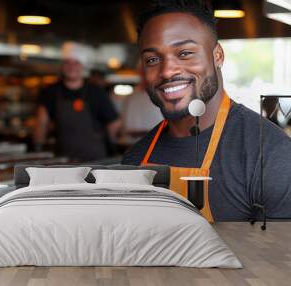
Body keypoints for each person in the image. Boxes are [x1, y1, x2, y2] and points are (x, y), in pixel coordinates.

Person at [122, 0, 291, 221]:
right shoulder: (133, 160)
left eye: (184, 53)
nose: (167, 71)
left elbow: (280, 253)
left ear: (218, 55)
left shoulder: (270, 154)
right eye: (152, 59)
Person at [34, 42, 121, 162]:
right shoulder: (50, 92)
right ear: (62, 66)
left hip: (96, 160)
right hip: (64, 160)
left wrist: (110, 142)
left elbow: (114, 123)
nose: (71, 67)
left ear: (83, 66)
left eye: (76, 63)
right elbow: (41, 121)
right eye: (67, 62)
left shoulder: (96, 92)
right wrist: (38, 148)